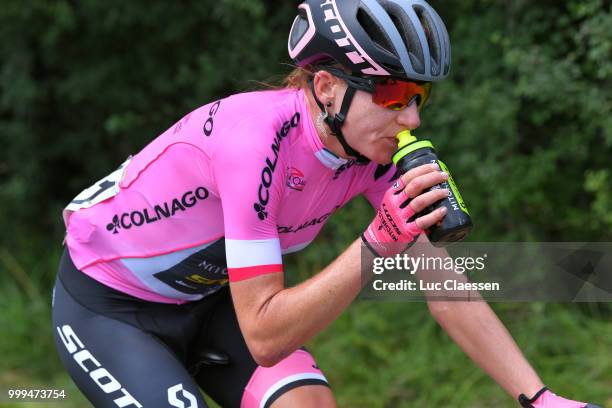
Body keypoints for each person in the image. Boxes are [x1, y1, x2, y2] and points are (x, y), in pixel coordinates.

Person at [52, 1, 600, 407]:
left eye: (419, 98)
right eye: (390, 95)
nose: (412, 120)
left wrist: (539, 397)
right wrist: (376, 243)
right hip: (111, 307)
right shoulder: (253, 141)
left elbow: (446, 287)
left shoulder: (371, 154)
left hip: (213, 302)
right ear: (327, 88)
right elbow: (267, 336)